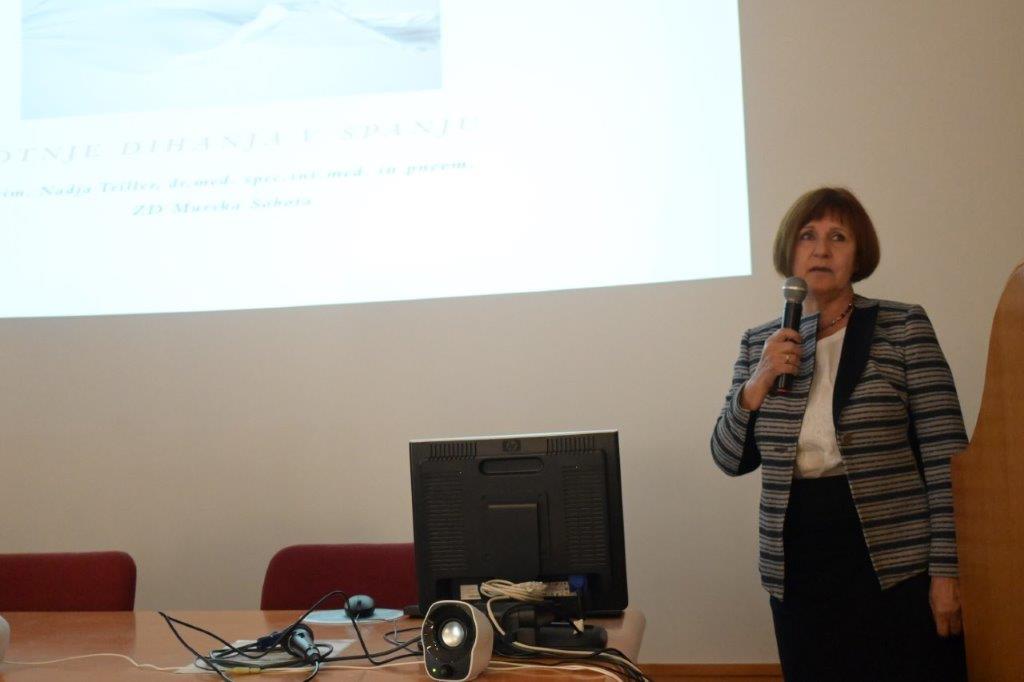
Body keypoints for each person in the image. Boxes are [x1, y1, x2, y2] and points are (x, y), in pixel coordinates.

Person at [710, 187, 968, 681]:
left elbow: (947, 458)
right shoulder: (760, 343)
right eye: (808, 236)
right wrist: (756, 383)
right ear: (789, 252)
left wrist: (947, 569)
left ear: (858, 253)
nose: (821, 250)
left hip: (893, 556)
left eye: (838, 237)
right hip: (797, 559)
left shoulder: (903, 326)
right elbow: (727, 457)